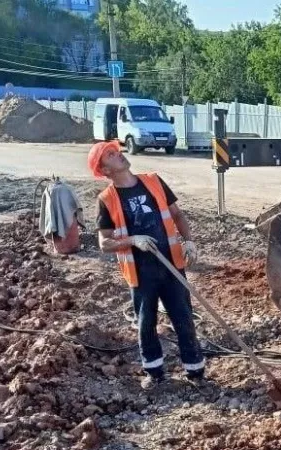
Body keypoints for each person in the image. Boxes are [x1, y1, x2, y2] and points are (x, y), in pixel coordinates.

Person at [88, 141, 205, 389]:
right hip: (141, 272)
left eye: (117, 151)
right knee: (146, 323)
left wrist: (189, 241)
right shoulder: (107, 199)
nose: (119, 154)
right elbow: (104, 242)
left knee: (183, 317)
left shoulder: (153, 181)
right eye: (111, 155)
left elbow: (177, 214)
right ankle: (154, 373)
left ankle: (195, 372)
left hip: (171, 264)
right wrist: (133, 240)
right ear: (105, 170)